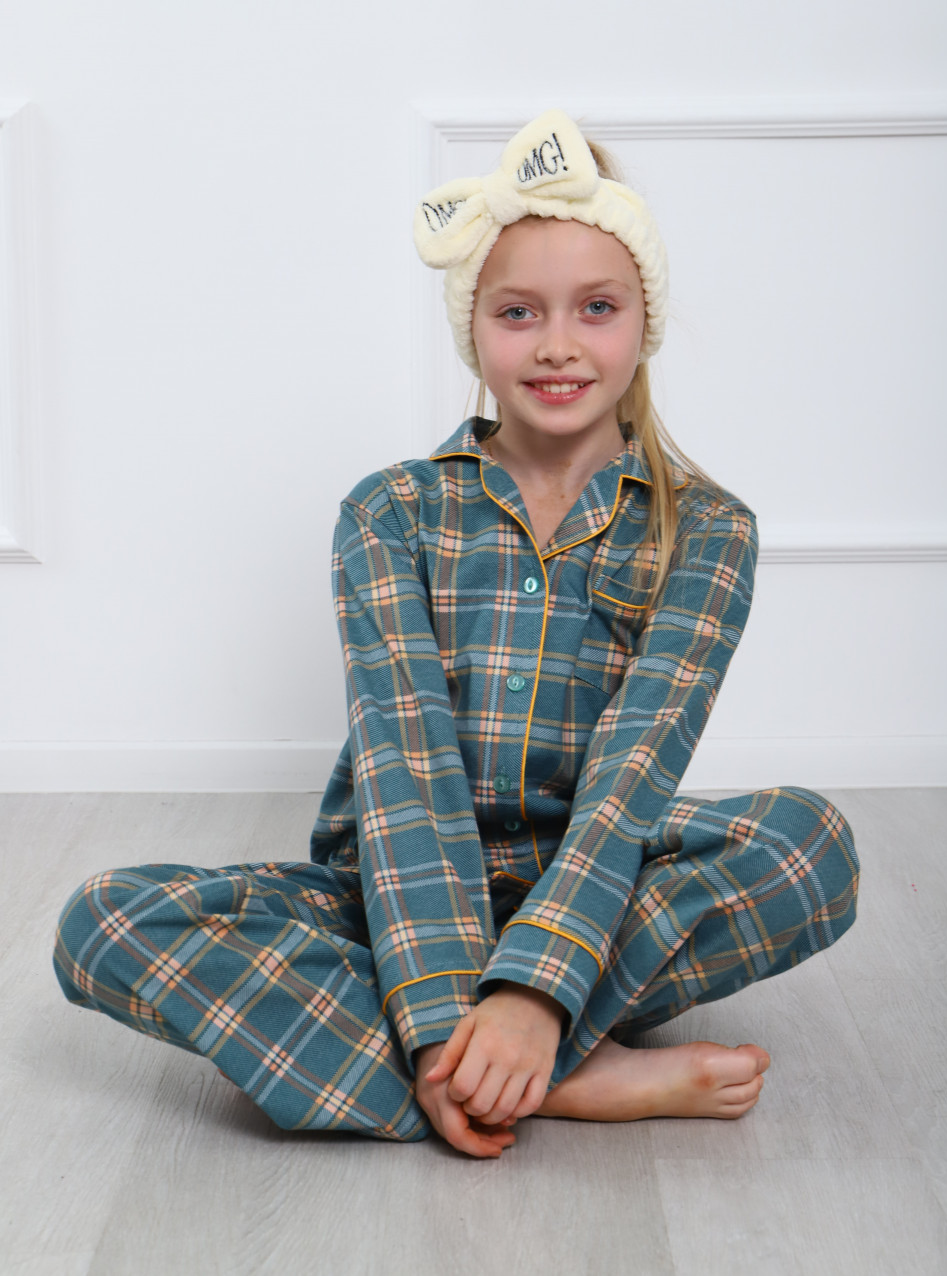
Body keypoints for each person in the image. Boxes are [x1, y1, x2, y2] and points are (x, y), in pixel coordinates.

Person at [54, 110, 859, 1160]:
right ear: (473, 329)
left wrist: (535, 985)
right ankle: (547, 1076)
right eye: (519, 312)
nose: (559, 343)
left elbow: (632, 778)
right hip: (392, 892)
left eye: (598, 308)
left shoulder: (707, 530)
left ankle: (512, 1041)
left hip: (594, 888)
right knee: (104, 922)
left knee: (811, 844)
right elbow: (405, 767)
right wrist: (443, 1013)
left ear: (643, 324)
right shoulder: (391, 512)